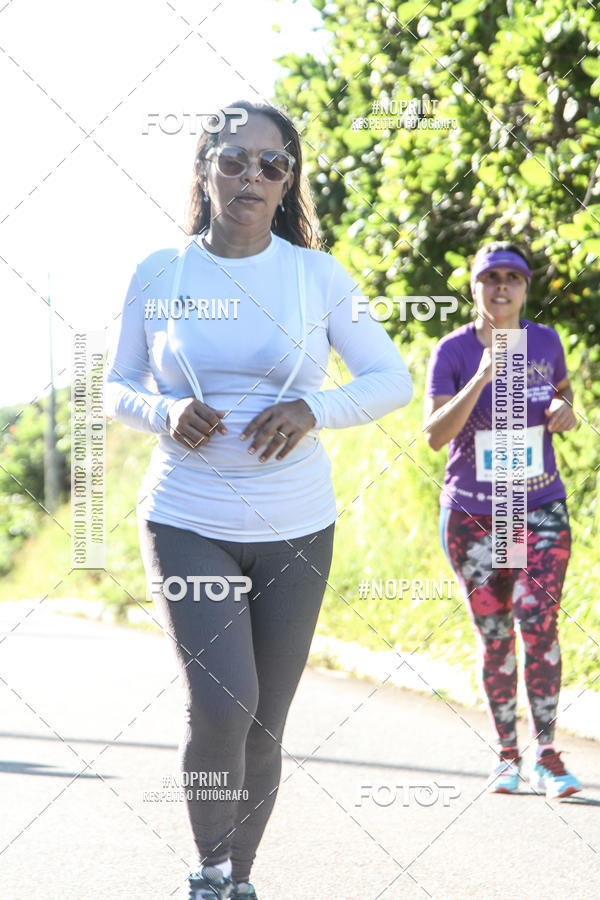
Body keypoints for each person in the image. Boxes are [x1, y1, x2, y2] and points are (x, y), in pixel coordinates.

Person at [104, 99, 413, 899]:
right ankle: (206, 873)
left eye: (270, 164)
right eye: (234, 160)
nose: (251, 176)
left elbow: (390, 379)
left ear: (287, 182)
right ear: (205, 169)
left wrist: (316, 407)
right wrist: (164, 411)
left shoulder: (316, 275)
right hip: (187, 516)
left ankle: (239, 879)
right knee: (224, 703)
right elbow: (117, 385)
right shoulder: (159, 272)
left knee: (267, 720)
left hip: (298, 523)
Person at [423, 241, 581, 800]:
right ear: (475, 287)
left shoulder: (545, 342)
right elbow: (436, 434)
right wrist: (482, 377)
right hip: (474, 513)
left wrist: (567, 411)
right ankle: (506, 756)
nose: (502, 288)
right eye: (491, 278)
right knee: (495, 637)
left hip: (536, 505)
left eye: (513, 278)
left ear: (525, 288)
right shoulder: (452, 351)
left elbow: (563, 401)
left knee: (537, 621)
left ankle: (547, 753)